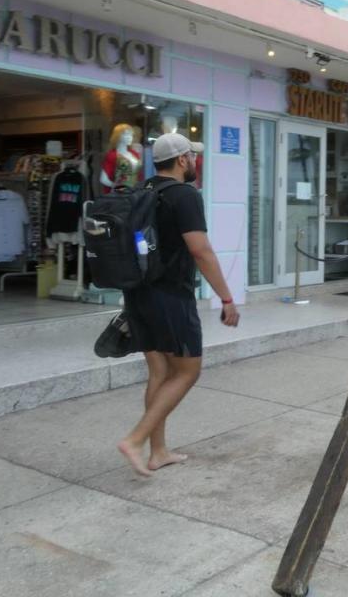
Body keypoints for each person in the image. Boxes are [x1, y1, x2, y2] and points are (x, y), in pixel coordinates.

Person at [117, 134, 240, 477]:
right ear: (183, 160)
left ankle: (158, 452)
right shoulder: (184, 195)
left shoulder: (143, 192)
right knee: (188, 371)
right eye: (193, 157)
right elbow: (201, 250)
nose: (196, 162)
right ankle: (136, 439)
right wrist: (227, 298)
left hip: (138, 294)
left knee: (160, 372)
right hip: (171, 295)